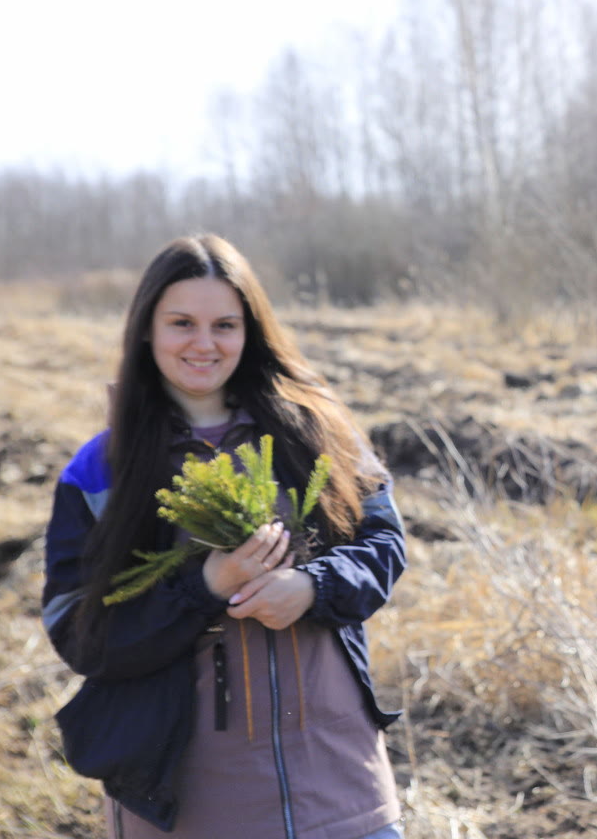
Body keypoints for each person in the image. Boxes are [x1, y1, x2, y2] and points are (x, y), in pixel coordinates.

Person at [41, 234, 406, 839]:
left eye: (225, 325)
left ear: (251, 331)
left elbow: (385, 547)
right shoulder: (100, 471)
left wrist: (310, 587)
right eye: (182, 322)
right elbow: (77, 631)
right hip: (188, 802)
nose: (204, 343)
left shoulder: (319, 434)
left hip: (340, 789)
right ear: (145, 331)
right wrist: (204, 585)